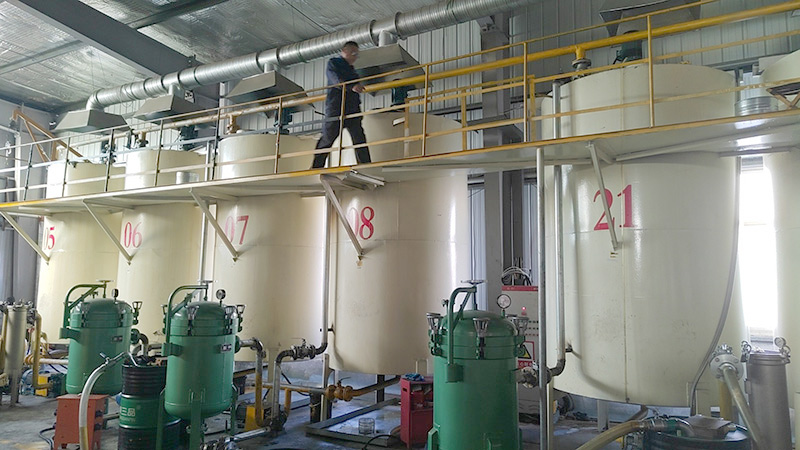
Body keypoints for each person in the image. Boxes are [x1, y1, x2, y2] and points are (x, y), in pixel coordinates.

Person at [311, 41, 372, 168]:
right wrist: (351, 86)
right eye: (353, 53)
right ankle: (317, 166)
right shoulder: (334, 63)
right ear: (344, 51)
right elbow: (336, 80)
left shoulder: (352, 71)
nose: (355, 57)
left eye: (357, 54)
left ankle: (365, 165)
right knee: (329, 137)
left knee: (359, 138)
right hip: (336, 106)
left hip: (352, 108)